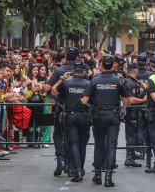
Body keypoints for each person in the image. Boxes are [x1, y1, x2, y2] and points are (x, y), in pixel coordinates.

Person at [81, 55, 128, 187]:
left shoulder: (95, 80)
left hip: (99, 115)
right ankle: (108, 176)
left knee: (99, 144)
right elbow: (125, 98)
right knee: (112, 145)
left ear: (101, 64)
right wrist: (123, 110)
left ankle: (97, 175)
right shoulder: (117, 80)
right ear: (113, 65)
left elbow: (84, 100)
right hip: (113, 115)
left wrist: (92, 105)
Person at [42, 47, 79, 176]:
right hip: (77, 108)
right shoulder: (81, 70)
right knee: (72, 136)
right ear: (77, 58)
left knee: (58, 134)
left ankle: (61, 160)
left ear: (65, 58)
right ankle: (69, 163)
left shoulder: (59, 70)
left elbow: (46, 88)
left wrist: (59, 80)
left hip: (61, 107)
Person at [52, 60, 90, 182]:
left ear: (73, 71)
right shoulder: (88, 83)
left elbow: (53, 91)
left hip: (70, 116)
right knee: (82, 145)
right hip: (84, 115)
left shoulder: (67, 82)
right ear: (84, 71)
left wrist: (62, 79)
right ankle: (81, 168)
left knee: (73, 143)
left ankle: (77, 169)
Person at [123, 63, 147, 167]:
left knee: (134, 133)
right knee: (131, 134)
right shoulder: (129, 83)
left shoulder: (133, 81)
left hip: (135, 112)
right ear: (136, 71)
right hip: (131, 112)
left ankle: (132, 153)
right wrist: (144, 100)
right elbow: (131, 100)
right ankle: (129, 158)